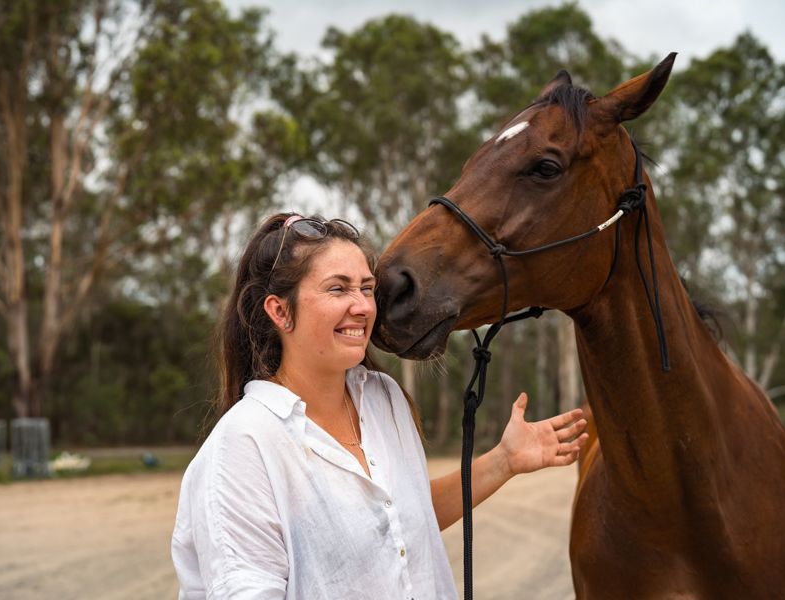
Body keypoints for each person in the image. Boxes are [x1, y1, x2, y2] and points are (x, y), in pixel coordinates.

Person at [171, 213, 589, 599]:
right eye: (338, 288)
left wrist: (504, 460)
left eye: (367, 288)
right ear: (280, 311)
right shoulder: (242, 446)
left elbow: (402, 523)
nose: (363, 306)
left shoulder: (384, 398)